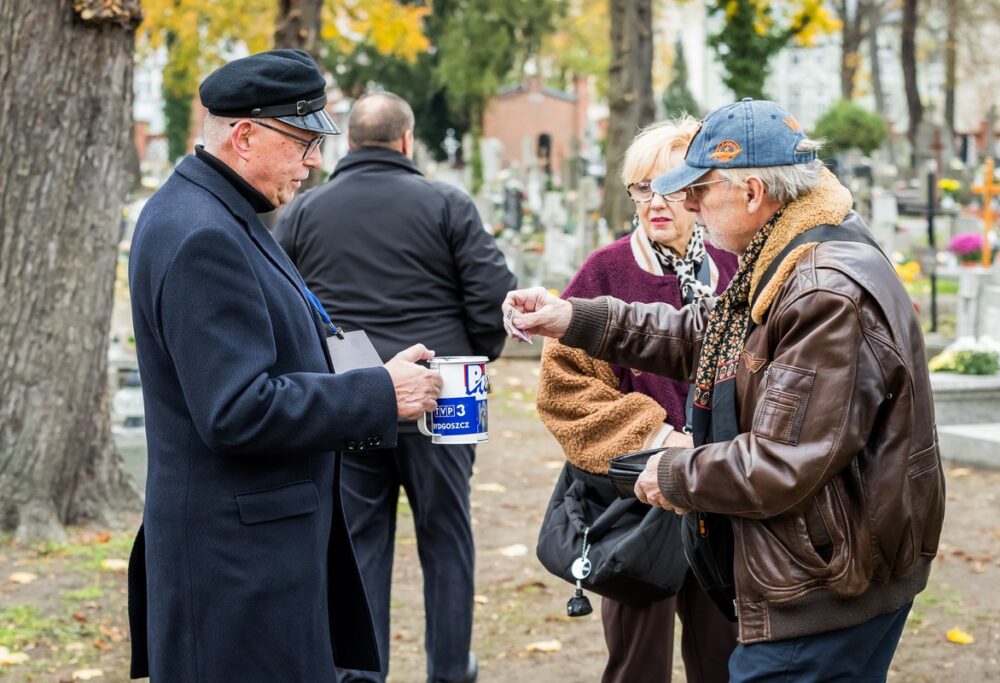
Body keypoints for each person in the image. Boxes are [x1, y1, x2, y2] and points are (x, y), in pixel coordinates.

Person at [504, 98, 944, 682]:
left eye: (698, 190)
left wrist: (665, 471)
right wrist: (574, 319)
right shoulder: (789, 252)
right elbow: (707, 336)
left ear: (752, 192)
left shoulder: (819, 290)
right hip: (826, 564)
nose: (684, 204)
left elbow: (782, 463)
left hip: (821, 585)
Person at [126, 51, 443, 683]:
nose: (315, 162)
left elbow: (270, 352)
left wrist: (370, 374)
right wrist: (377, 394)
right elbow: (236, 410)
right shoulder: (202, 234)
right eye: (302, 142)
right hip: (236, 570)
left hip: (255, 558)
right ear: (244, 136)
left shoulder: (217, 211)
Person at [275, 91, 516, 683]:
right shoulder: (447, 204)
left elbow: (282, 301)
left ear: (348, 142)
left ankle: (360, 673)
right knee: (447, 535)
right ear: (407, 141)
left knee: (359, 542)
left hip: (354, 396)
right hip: (442, 395)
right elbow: (492, 293)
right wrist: (468, 359)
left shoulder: (305, 212)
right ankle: (451, 669)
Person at [535, 119, 738, 683]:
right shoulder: (604, 272)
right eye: (643, 188)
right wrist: (661, 441)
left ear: (702, 190)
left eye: (672, 187)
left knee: (726, 657)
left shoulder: (736, 268)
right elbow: (566, 392)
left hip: (724, 495)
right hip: (636, 504)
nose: (656, 203)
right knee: (637, 665)